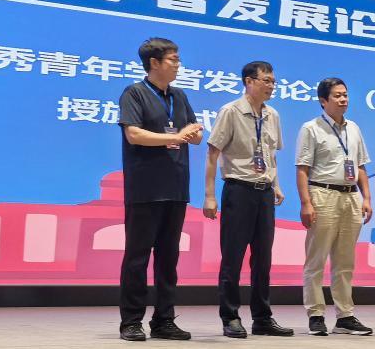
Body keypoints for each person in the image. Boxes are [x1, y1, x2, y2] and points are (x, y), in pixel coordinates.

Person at [118, 37, 203, 341]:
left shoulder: (179, 96)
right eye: (173, 60)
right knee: (137, 257)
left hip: (176, 187)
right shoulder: (135, 93)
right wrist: (178, 136)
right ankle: (131, 321)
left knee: (168, 258)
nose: (178, 65)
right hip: (145, 189)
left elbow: (194, 133)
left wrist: (190, 134)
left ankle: (164, 319)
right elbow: (134, 134)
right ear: (154, 63)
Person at [203, 61, 294, 338]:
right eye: (266, 80)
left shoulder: (272, 115)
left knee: (263, 259)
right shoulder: (230, 111)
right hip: (238, 191)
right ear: (249, 81)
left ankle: (262, 318)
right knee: (233, 257)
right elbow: (213, 154)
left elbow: (271, 154)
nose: (271, 86)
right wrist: (209, 196)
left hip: (264, 193)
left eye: (273, 81)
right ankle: (230, 316)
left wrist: (276, 184)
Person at [296, 78, 374, 336]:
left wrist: (367, 198)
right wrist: (306, 203)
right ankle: (316, 314)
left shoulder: (354, 128)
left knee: (345, 261)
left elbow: (360, 166)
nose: (343, 100)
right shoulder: (311, 128)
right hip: (323, 194)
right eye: (337, 96)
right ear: (323, 101)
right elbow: (302, 169)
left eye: (345, 95)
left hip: (351, 197)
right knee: (316, 259)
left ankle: (345, 316)